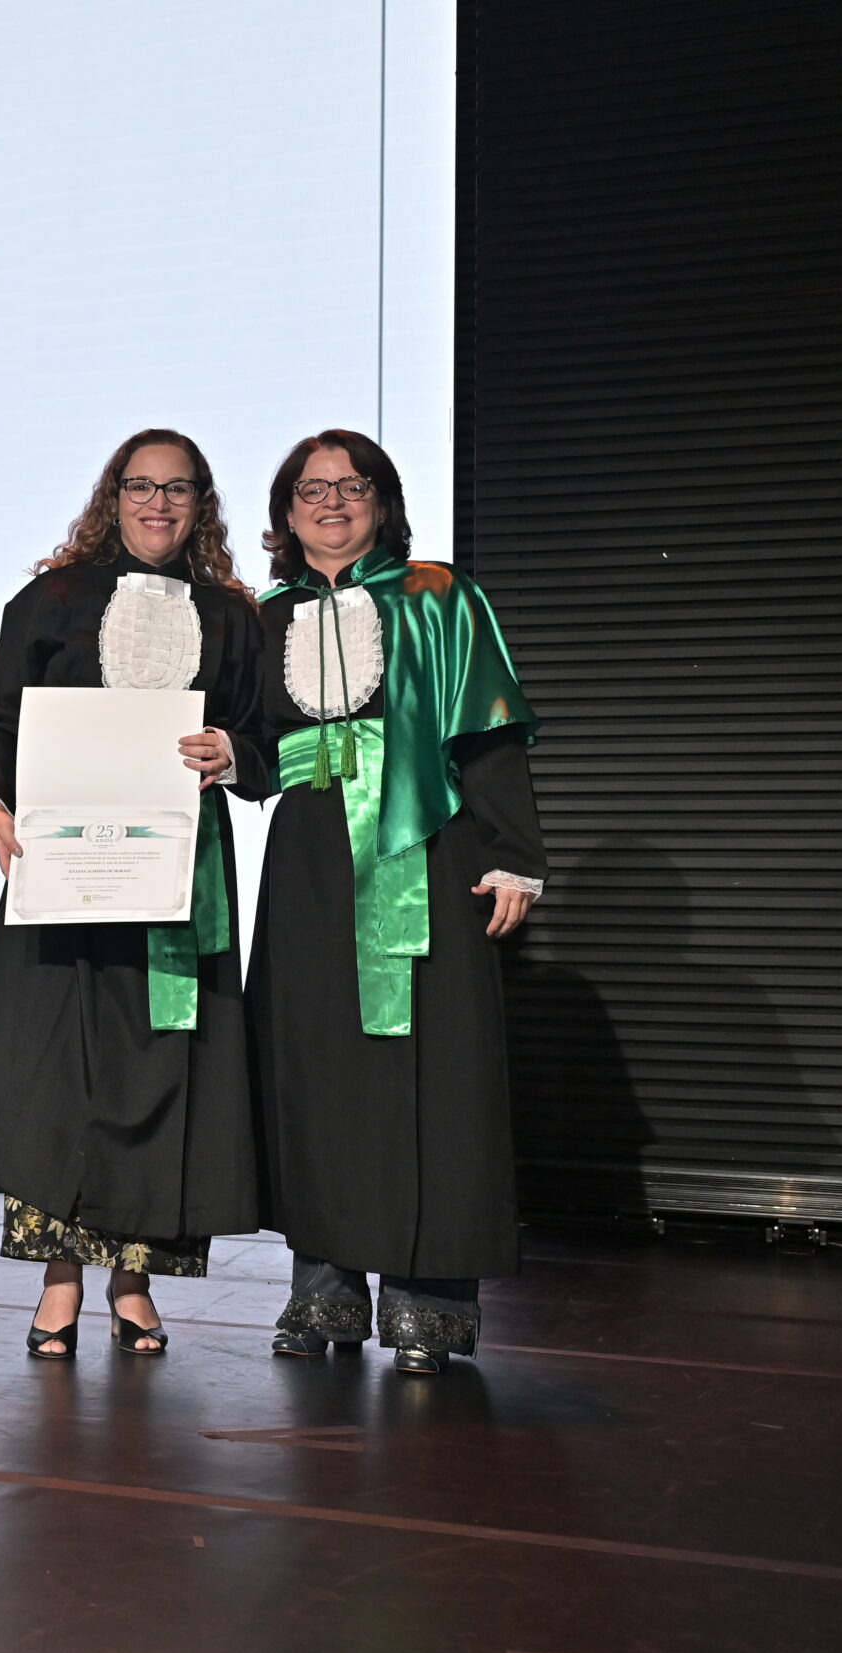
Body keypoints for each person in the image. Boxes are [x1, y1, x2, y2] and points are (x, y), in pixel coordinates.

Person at [0, 430, 264, 1357]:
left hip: (180, 875)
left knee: (160, 1069)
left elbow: (266, 734)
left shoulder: (234, 617)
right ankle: (61, 1279)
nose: (158, 504)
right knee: (58, 1078)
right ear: (113, 497)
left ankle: (136, 1282)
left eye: (177, 489)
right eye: (141, 486)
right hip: (65, 869)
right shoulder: (53, 598)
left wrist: (234, 752)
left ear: (201, 504)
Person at [236, 429, 545, 1373]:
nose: (332, 502)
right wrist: (228, 758)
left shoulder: (439, 595)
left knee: (431, 1072)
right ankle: (323, 1291)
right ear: (286, 512)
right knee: (315, 1068)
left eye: (352, 485)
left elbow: (488, 729)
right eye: (311, 488)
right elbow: (256, 751)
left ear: (383, 500)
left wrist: (512, 855)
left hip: (424, 848)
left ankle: (428, 1302)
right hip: (310, 862)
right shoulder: (263, 617)